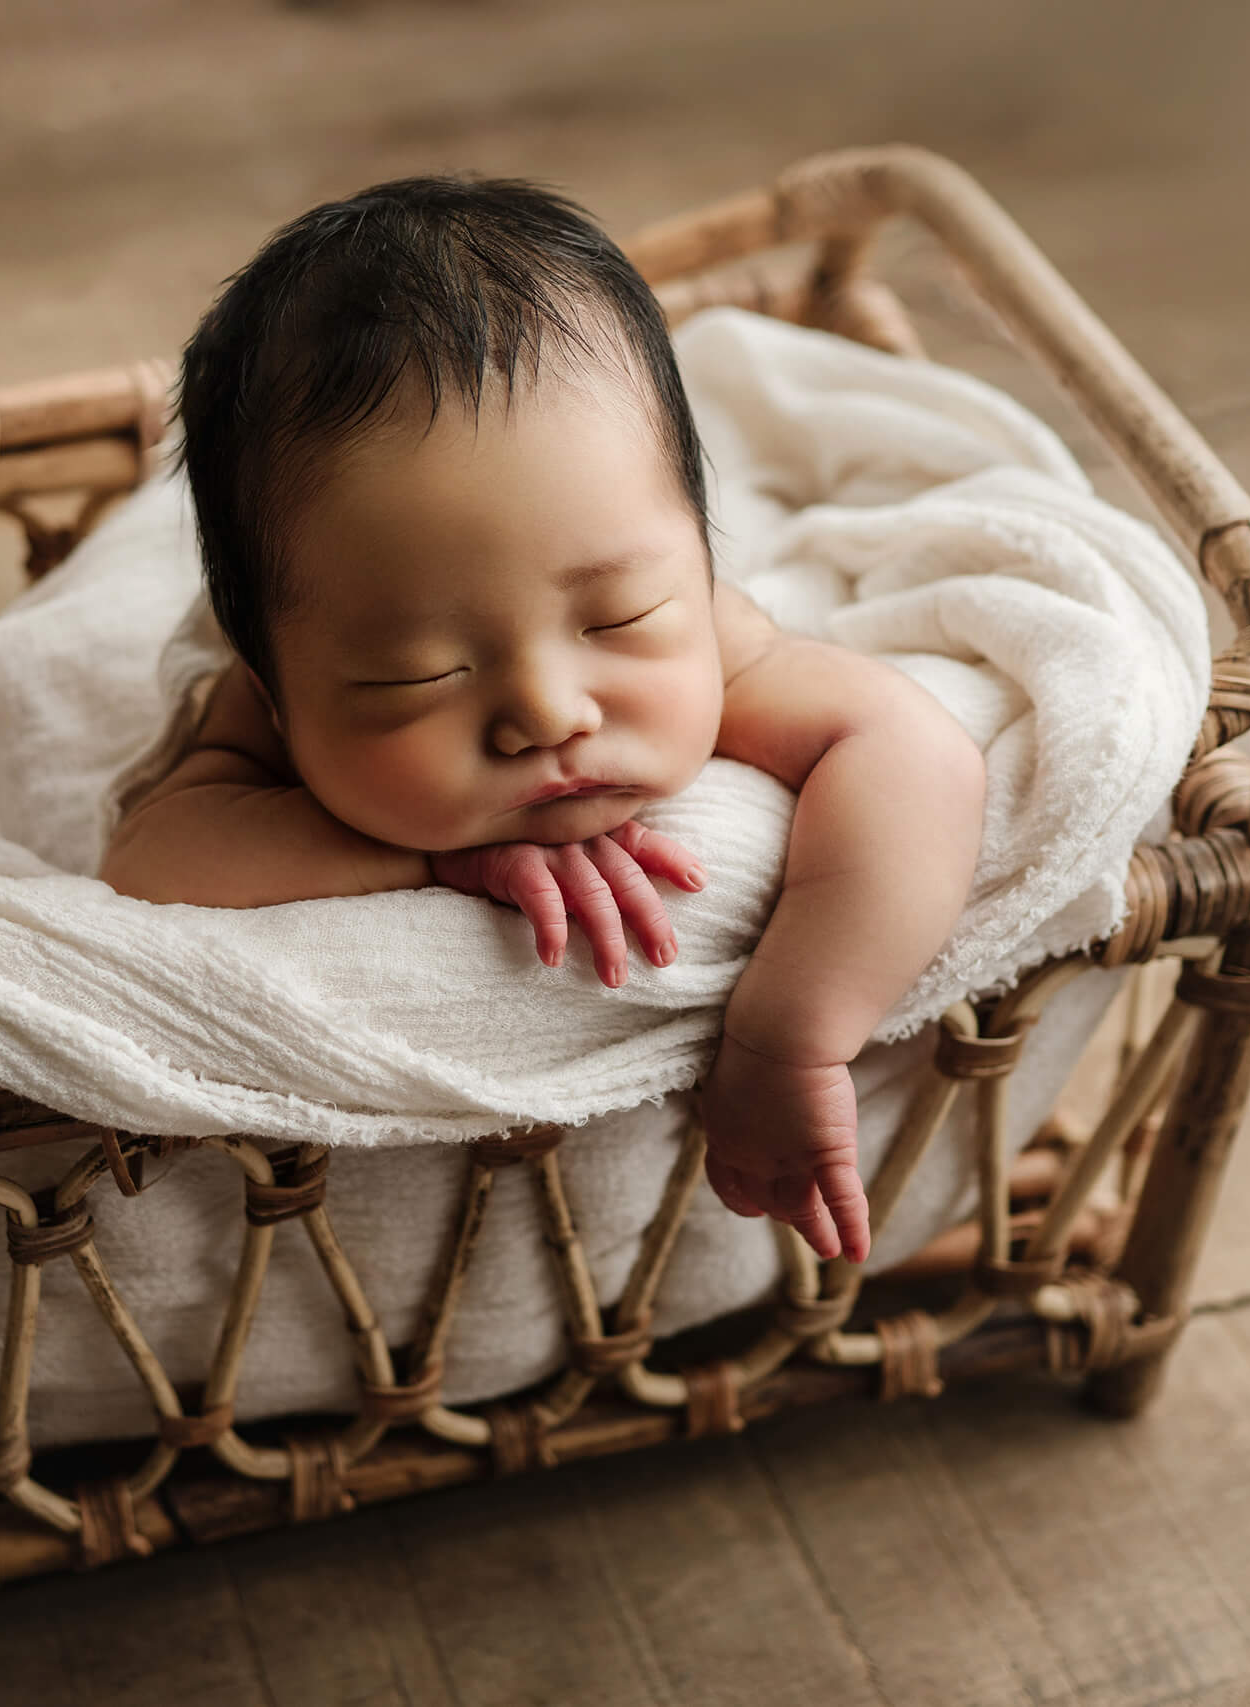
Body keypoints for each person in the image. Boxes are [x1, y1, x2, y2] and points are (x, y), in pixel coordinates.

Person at [100, 176, 985, 1266]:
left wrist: (789, 1037)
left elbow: (914, 753)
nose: (546, 712)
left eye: (616, 619)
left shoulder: (709, 631)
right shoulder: (259, 692)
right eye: (414, 679)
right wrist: (421, 862)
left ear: (696, 568)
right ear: (277, 686)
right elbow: (152, 859)